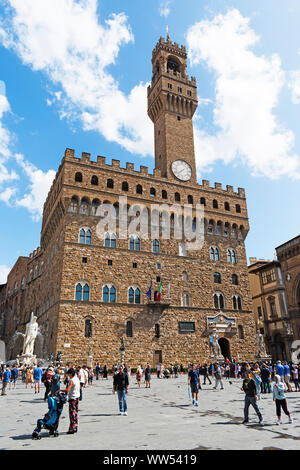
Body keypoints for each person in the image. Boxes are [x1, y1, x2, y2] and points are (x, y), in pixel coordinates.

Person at [60, 368, 80, 434]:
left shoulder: (71, 380)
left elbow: (67, 390)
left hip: (72, 398)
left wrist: (60, 390)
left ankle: (72, 429)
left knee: (72, 414)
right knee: (75, 413)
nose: (68, 375)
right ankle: (75, 427)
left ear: (71, 374)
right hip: (77, 397)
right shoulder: (77, 379)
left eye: (68, 374)